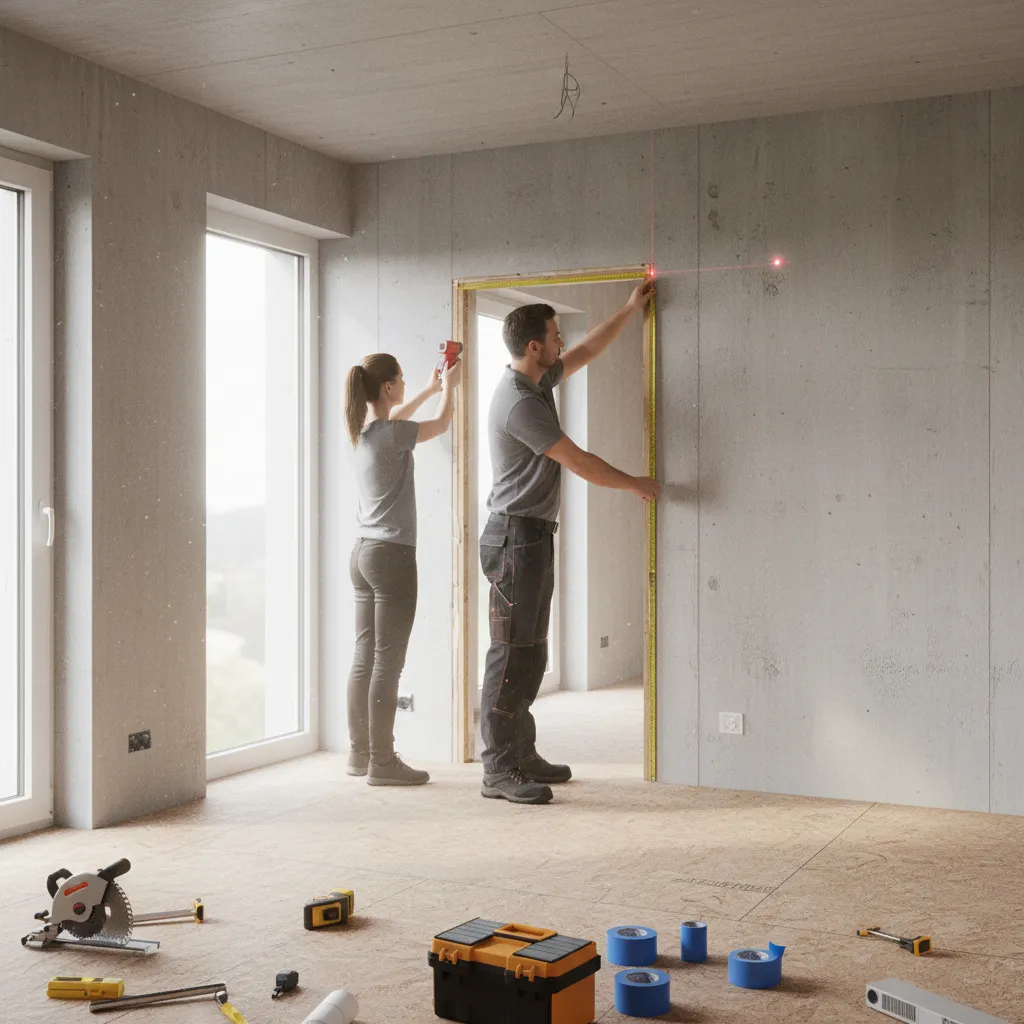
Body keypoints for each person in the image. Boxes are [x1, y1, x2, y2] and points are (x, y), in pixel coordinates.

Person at [479, 281, 660, 804]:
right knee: (511, 656)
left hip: (531, 535)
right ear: (534, 346)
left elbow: (585, 352)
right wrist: (634, 483)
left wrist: (628, 309)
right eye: (555, 336)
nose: (562, 343)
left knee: (532, 653)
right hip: (514, 537)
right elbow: (577, 461)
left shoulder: (537, 381)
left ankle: (521, 753)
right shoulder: (519, 403)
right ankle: (498, 769)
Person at [345, 352, 461, 785]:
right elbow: (441, 425)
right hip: (392, 556)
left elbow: (396, 420)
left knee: (364, 658)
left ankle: (360, 755)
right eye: (403, 379)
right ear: (389, 387)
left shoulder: (363, 432)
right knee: (387, 664)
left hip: (361, 554)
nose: (406, 385)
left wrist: (430, 389)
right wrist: (450, 389)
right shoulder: (393, 433)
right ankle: (383, 762)